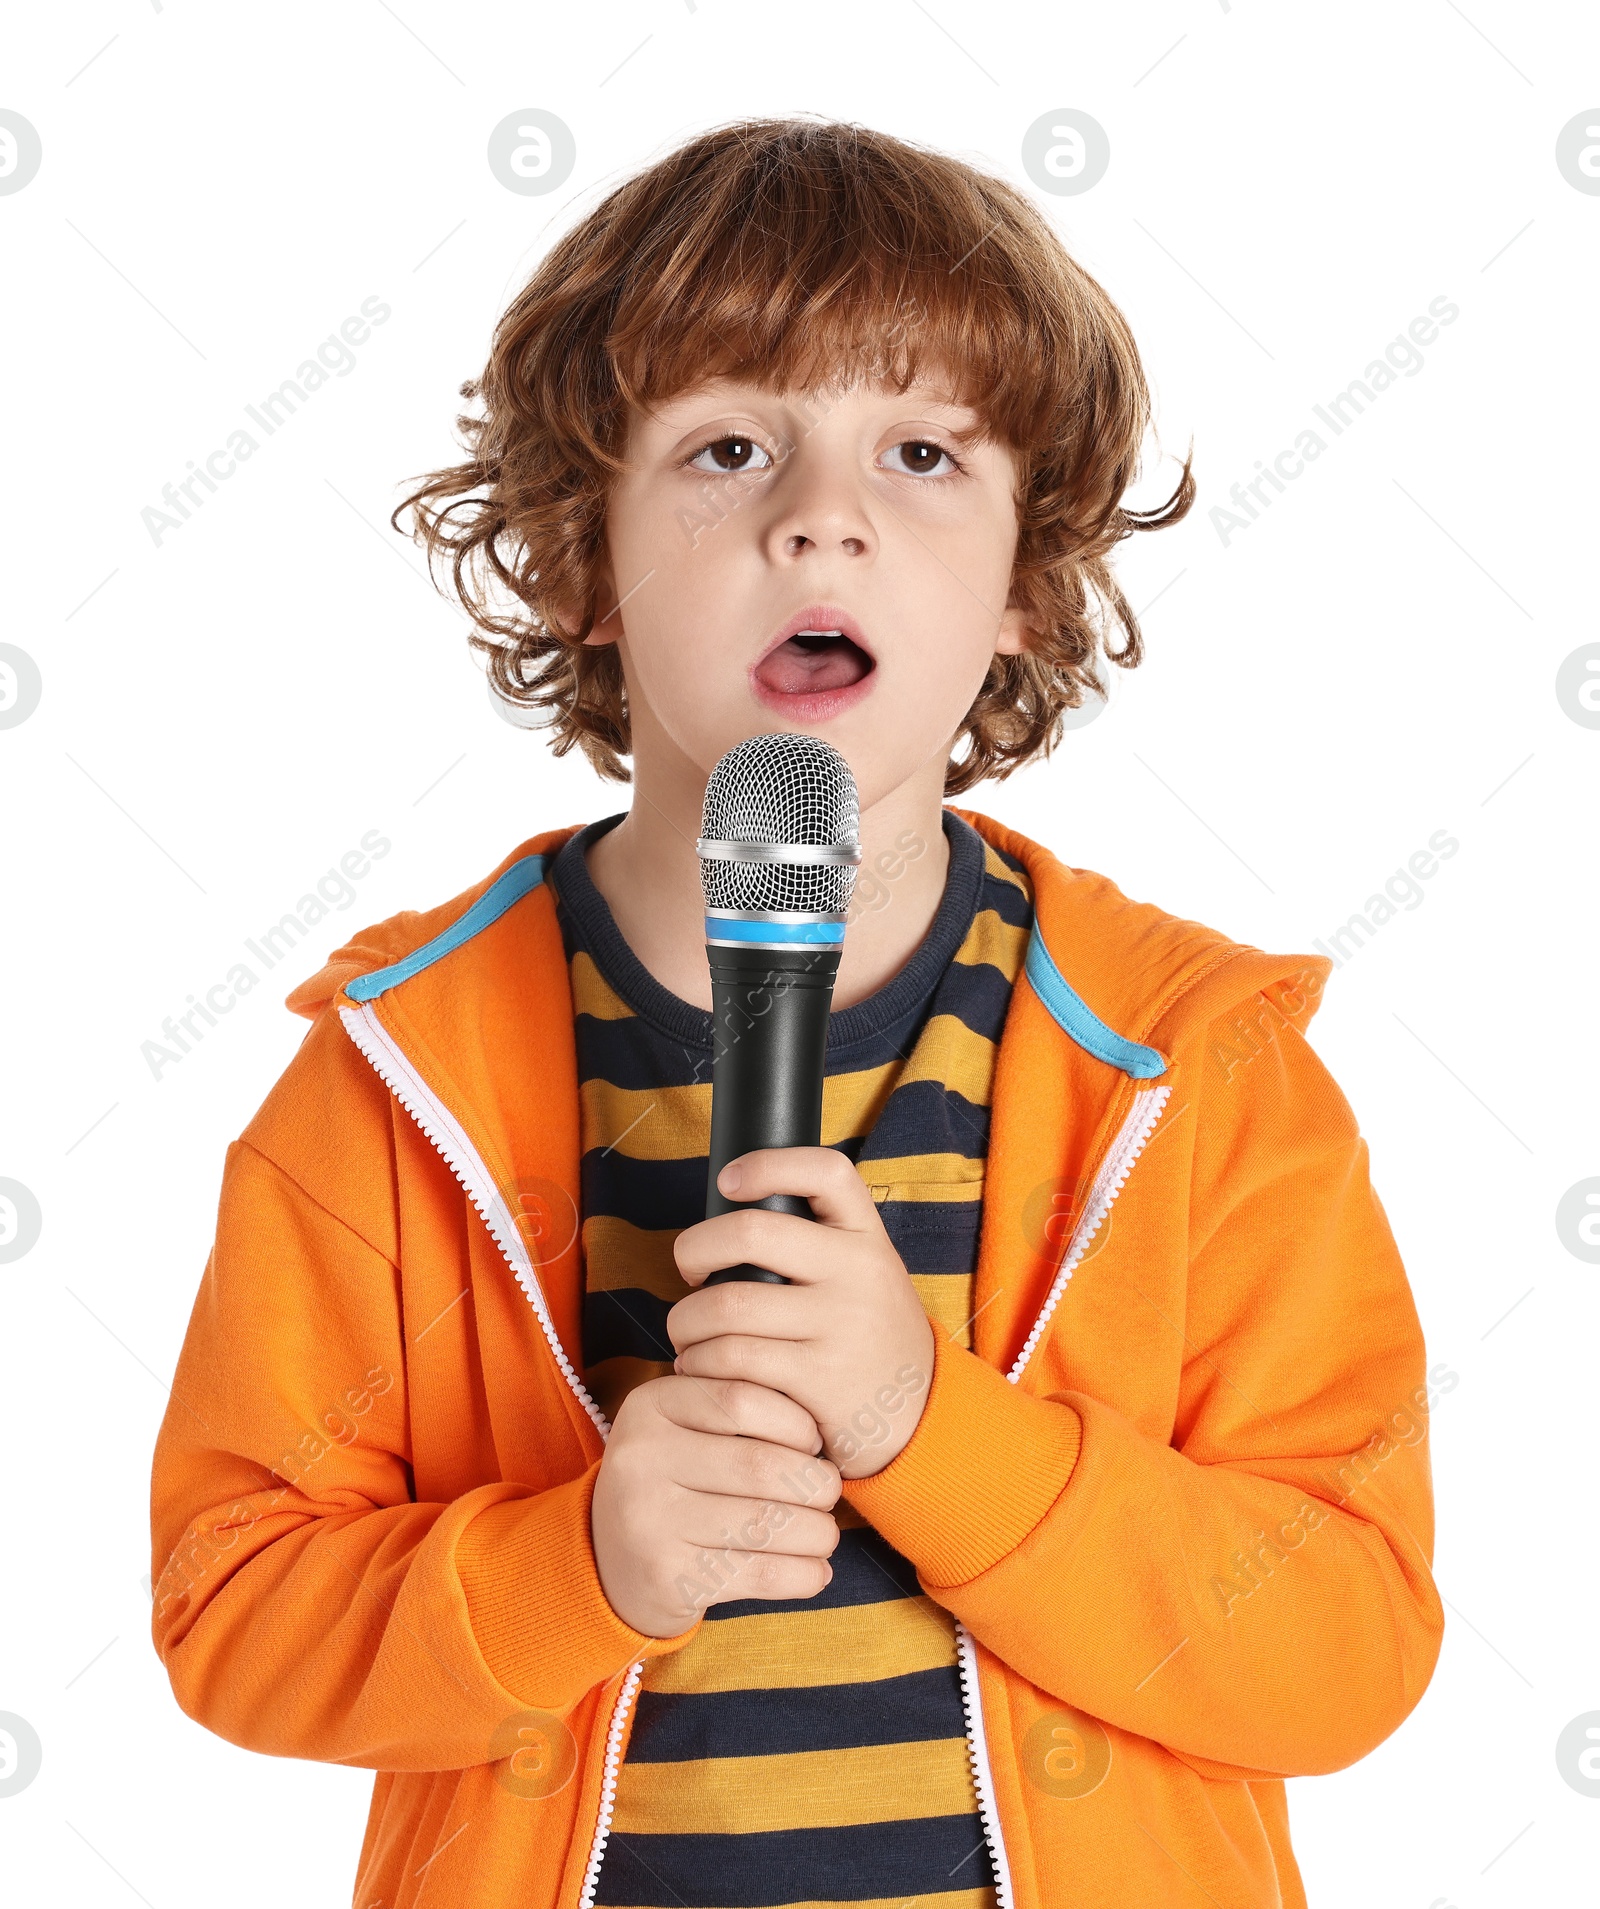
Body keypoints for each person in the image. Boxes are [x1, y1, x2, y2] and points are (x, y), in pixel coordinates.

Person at [148, 118, 1443, 1909]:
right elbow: (237, 1612)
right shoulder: (389, 1076)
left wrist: (929, 1424)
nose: (819, 513)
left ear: (1024, 586)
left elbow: (1340, 1641)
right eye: (729, 444)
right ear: (583, 567)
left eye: (920, 451)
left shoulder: (1199, 1067)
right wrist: (576, 1559)